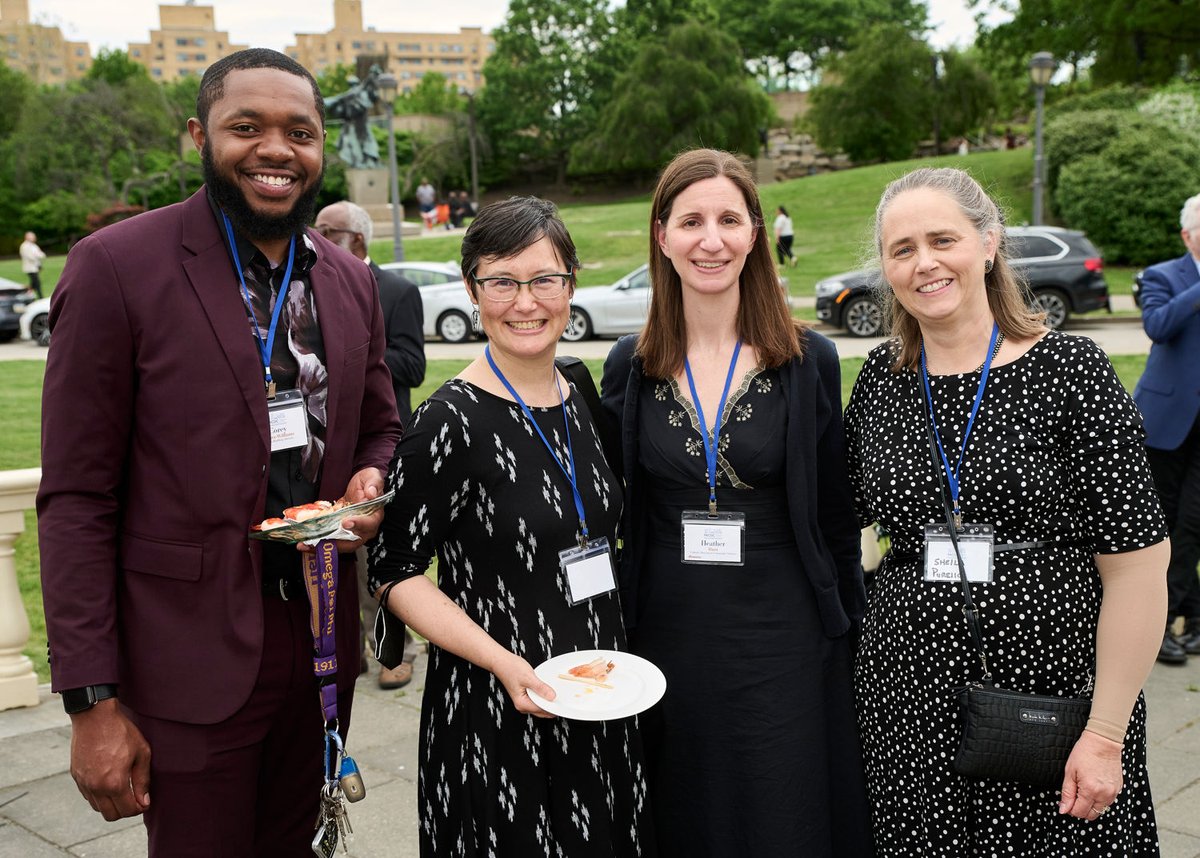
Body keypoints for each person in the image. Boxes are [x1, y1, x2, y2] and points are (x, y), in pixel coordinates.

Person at [36, 48, 402, 857]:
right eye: (248, 127)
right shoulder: (115, 269)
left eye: (299, 132)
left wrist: (372, 480)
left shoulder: (347, 280)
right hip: (186, 659)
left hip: (321, 640)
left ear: (319, 150)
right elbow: (75, 500)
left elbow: (381, 422)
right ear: (199, 136)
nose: (277, 149)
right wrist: (91, 703)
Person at [845, 166, 1169, 855]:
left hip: (1052, 700)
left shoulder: (1071, 371)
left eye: (943, 239)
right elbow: (839, 519)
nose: (924, 262)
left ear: (989, 242)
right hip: (908, 700)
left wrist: (1106, 734)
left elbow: (1139, 569)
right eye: (902, 249)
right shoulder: (880, 380)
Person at [600, 148, 872, 856]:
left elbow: (838, 517)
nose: (710, 239)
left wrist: (848, 628)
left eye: (728, 219)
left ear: (756, 231)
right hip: (669, 626)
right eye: (691, 221)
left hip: (783, 628)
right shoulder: (632, 362)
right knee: (684, 801)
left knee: (781, 801)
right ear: (662, 236)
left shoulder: (807, 360)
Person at [368, 196, 654, 856]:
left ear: (570, 285)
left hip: (598, 689)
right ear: (473, 291)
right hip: (498, 704)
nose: (525, 302)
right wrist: (502, 663)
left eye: (544, 280)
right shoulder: (447, 422)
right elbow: (393, 571)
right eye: (502, 281)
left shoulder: (580, 391)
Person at [315, 199, 426, 689]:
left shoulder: (397, 290)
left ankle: (396, 651)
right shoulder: (309, 284)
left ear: (356, 240)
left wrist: (358, 358)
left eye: (326, 228)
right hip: (325, 446)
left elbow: (413, 365)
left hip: (381, 443)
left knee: (379, 557)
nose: (314, 234)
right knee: (337, 555)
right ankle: (351, 647)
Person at [1134, 192, 1200, 665]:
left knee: (1194, 523)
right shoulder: (1163, 276)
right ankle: (1171, 623)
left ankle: (1177, 619)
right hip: (1166, 424)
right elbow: (1157, 324)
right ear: (1188, 236)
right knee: (1163, 525)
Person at [19, 231, 45, 298]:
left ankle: (25, 293)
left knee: (34, 284)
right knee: (37, 283)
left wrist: (39, 259)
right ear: (27, 237)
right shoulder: (24, 246)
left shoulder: (34, 245)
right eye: (32, 236)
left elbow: (41, 254)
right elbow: (30, 257)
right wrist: (38, 257)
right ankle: (40, 297)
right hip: (30, 268)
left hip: (35, 267)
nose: (34, 238)